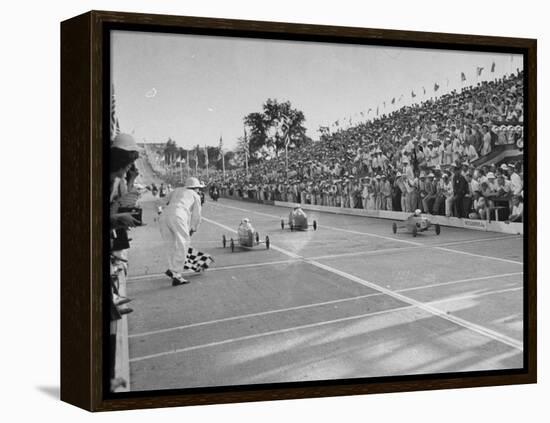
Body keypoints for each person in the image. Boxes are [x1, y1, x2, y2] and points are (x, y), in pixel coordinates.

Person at [159, 177, 204, 286]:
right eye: (198, 188)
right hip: (178, 215)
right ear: (195, 188)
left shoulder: (176, 190)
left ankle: (172, 268)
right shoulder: (195, 195)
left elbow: (161, 201)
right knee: (183, 244)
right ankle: (177, 274)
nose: (199, 190)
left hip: (164, 215)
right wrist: (193, 228)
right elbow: (197, 215)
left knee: (170, 244)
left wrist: (160, 212)